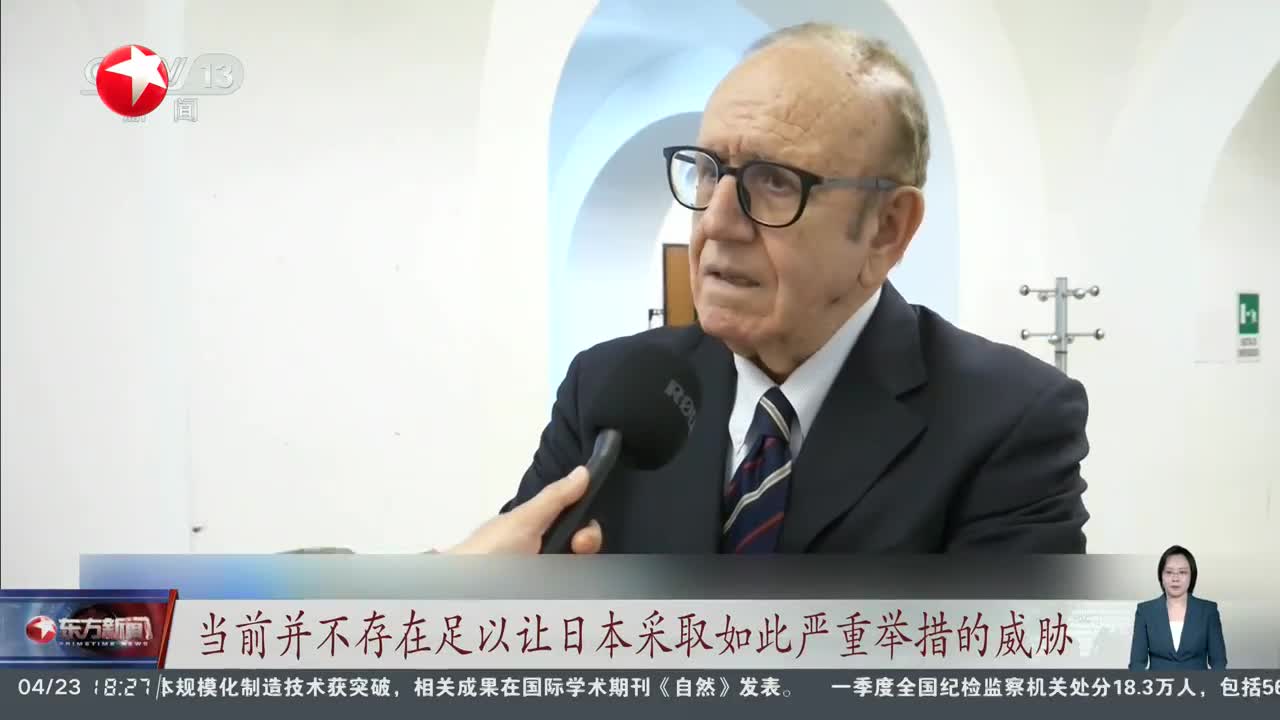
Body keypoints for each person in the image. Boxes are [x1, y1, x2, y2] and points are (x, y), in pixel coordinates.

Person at [450, 22, 1090, 555]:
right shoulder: (608, 393)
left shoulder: (1008, 422)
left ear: (886, 229)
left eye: (775, 181)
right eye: (708, 172)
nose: (717, 222)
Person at [1128, 545, 1228, 670]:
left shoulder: (1208, 611)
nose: (1175, 578)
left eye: (1182, 572)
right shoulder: (1145, 611)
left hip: (1198, 683)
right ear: (1161, 576)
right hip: (1159, 682)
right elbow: (1136, 663)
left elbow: (1219, 662)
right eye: (1169, 572)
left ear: (1192, 576)